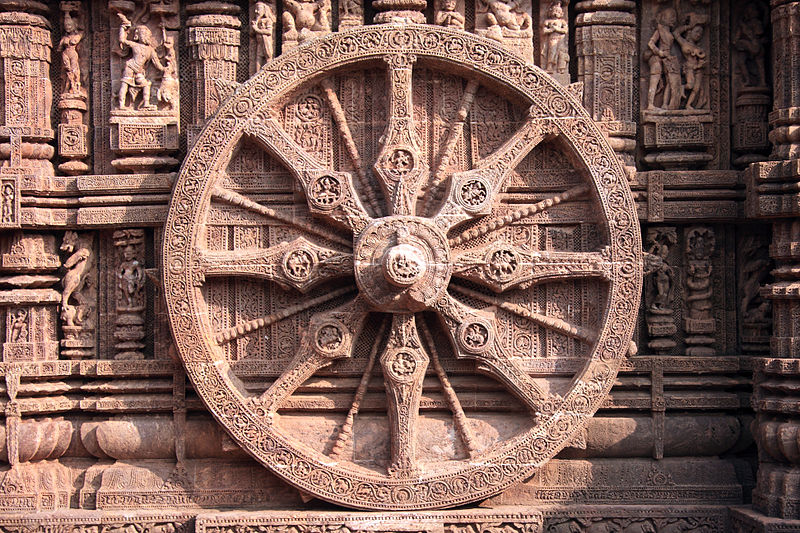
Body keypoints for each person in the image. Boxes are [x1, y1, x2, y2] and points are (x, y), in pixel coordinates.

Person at [117, 13, 165, 110]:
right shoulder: (135, 45)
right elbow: (122, 40)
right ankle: (121, 105)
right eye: (142, 34)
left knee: (146, 84)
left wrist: (165, 69)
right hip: (130, 67)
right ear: (137, 36)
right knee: (125, 84)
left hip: (139, 71)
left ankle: (146, 103)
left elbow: (157, 64)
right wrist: (123, 27)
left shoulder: (150, 50)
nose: (144, 36)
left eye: (145, 34)